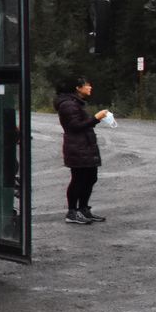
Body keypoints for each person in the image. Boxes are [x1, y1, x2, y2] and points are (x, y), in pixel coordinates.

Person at [54, 75, 109, 224]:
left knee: (90, 178)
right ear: (78, 88)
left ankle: (83, 209)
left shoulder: (75, 103)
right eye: (87, 85)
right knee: (79, 179)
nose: (90, 87)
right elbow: (75, 126)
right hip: (77, 147)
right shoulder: (68, 105)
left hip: (84, 145)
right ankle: (72, 212)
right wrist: (96, 118)